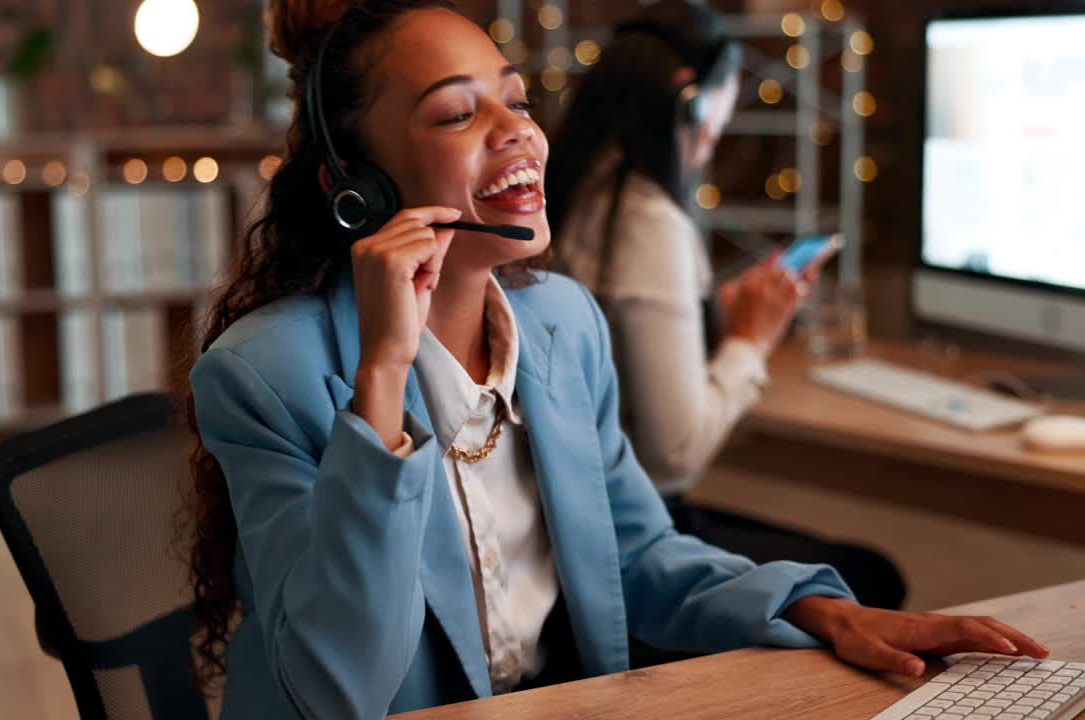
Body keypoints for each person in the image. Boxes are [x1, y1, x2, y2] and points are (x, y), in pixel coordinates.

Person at [183, 2, 1046, 717]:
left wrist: (825, 612)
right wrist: (382, 377)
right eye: (457, 113)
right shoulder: (266, 374)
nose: (518, 133)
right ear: (358, 184)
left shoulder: (562, 325)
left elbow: (635, 556)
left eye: (514, 102)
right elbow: (341, 689)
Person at [546, 0, 906, 611]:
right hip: (635, 530)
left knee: (839, 560)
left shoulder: (584, 191)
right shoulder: (647, 222)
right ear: (690, 102)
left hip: (581, 519)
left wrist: (718, 315)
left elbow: (623, 355)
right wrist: (752, 339)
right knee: (870, 577)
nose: (711, 144)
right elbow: (675, 457)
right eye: (717, 121)